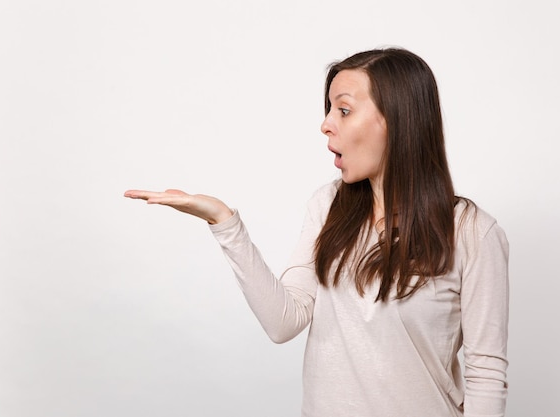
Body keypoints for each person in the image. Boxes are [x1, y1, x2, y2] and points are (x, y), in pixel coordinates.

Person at [124, 47, 509, 417]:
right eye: (329, 110)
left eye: (343, 110)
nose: (326, 124)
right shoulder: (327, 206)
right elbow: (283, 321)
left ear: (399, 119)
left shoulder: (473, 232)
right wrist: (224, 222)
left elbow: (486, 373)